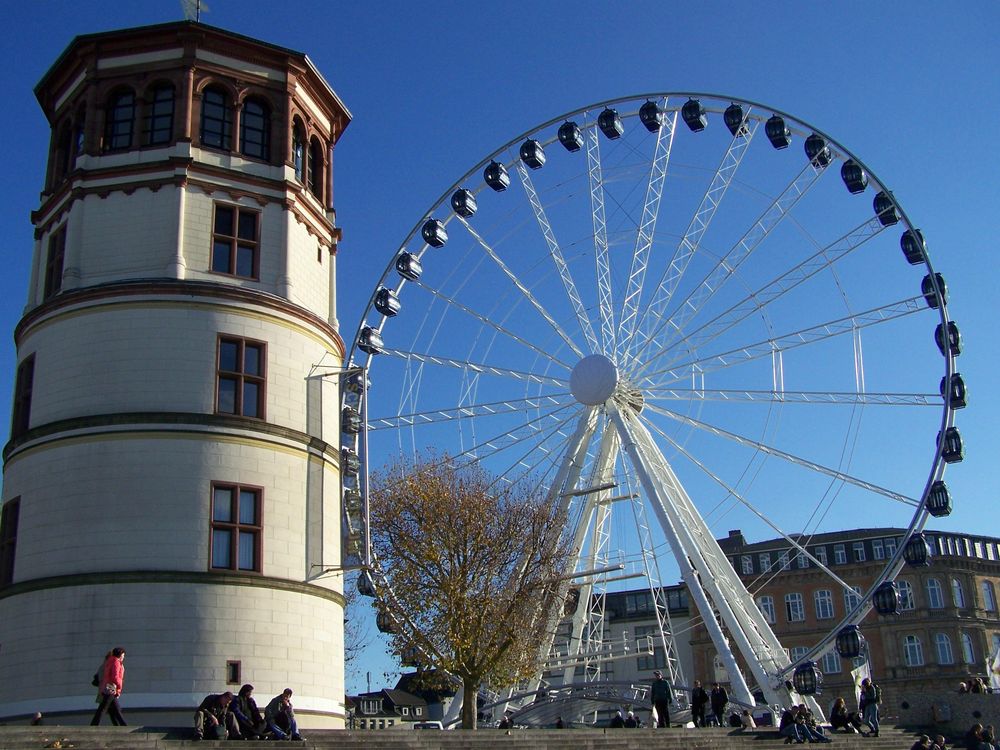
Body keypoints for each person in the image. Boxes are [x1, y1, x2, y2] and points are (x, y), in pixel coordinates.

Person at [90, 647, 127, 726]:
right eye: (123, 655)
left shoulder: (109, 662)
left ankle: (123, 725)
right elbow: (115, 677)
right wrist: (120, 686)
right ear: (120, 655)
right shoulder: (116, 662)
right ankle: (94, 725)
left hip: (107, 687)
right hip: (111, 687)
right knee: (104, 708)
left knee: (115, 709)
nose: (124, 657)